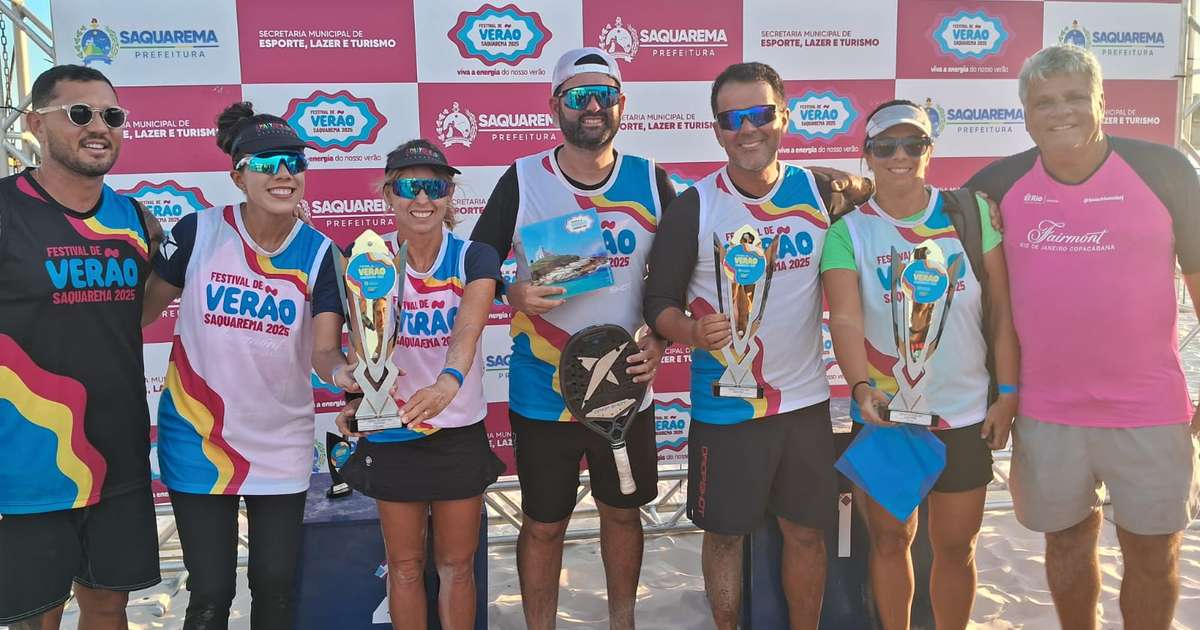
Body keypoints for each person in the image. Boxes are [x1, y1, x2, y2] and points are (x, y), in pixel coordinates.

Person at [965, 45, 1200, 630]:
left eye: (1074, 96)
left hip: (1150, 409)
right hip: (1045, 411)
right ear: (1024, 112)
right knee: (1066, 544)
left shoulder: (1165, 169)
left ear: (1102, 101)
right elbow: (948, 273)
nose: (1060, 111)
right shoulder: (996, 185)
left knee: (1152, 551)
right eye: (1044, 101)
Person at [643, 61, 874, 630]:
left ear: (784, 117)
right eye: (731, 119)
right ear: (717, 129)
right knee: (723, 536)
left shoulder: (823, 190)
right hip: (726, 406)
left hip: (804, 405)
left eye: (760, 114)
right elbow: (658, 304)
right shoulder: (693, 207)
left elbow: (892, 194)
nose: (747, 129)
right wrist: (691, 332)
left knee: (805, 532)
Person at [469, 47, 673, 630]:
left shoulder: (651, 180)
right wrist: (511, 291)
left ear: (620, 104)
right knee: (543, 522)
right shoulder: (524, 176)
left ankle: (623, 622)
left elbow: (681, 275)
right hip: (543, 388)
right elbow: (479, 257)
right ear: (554, 105)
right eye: (577, 96)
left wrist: (662, 334)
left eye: (603, 94)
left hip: (625, 390)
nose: (592, 107)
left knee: (622, 513)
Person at [141, 102, 351, 629]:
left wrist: (347, 375)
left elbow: (324, 351)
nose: (283, 173)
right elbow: (139, 313)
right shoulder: (197, 232)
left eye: (294, 162)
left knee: (276, 588)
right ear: (237, 174)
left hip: (279, 438)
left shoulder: (322, 252)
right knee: (210, 591)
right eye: (265, 162)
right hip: (197, 435)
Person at [821, 100, 1020, 630]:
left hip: (963, 413)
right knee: (890, 541)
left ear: (930, 151)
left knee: (956, 549)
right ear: (867, 155)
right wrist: (861, 387)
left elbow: (1001, 313)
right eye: (885, 146)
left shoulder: (972, 214)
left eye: (913, 144)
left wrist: (1007, 393)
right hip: (890, 415)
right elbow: (843, 318)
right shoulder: (848, 231)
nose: (899, 156)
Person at [0, 64, 162, 630]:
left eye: (112, 116)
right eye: (80, 114)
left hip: (116, 455)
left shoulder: (138, 221)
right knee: (35, 618)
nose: (99, 127)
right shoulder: (5, 210)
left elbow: (128, 317)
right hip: (27, 461)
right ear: (34, 124)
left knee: (109, 605)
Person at [335, 139, 505, 629]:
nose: (423, 198)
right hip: (394, 431)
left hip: (457, 430)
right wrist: (353, 398)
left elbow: (468, 327)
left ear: (451, 195)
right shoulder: (366, 256)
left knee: (456, 566)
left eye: (436, 186)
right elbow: (360, 342)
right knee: (405, 568)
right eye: (410, 186)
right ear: (388, 195)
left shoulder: (475, 255)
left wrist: (449, 381)